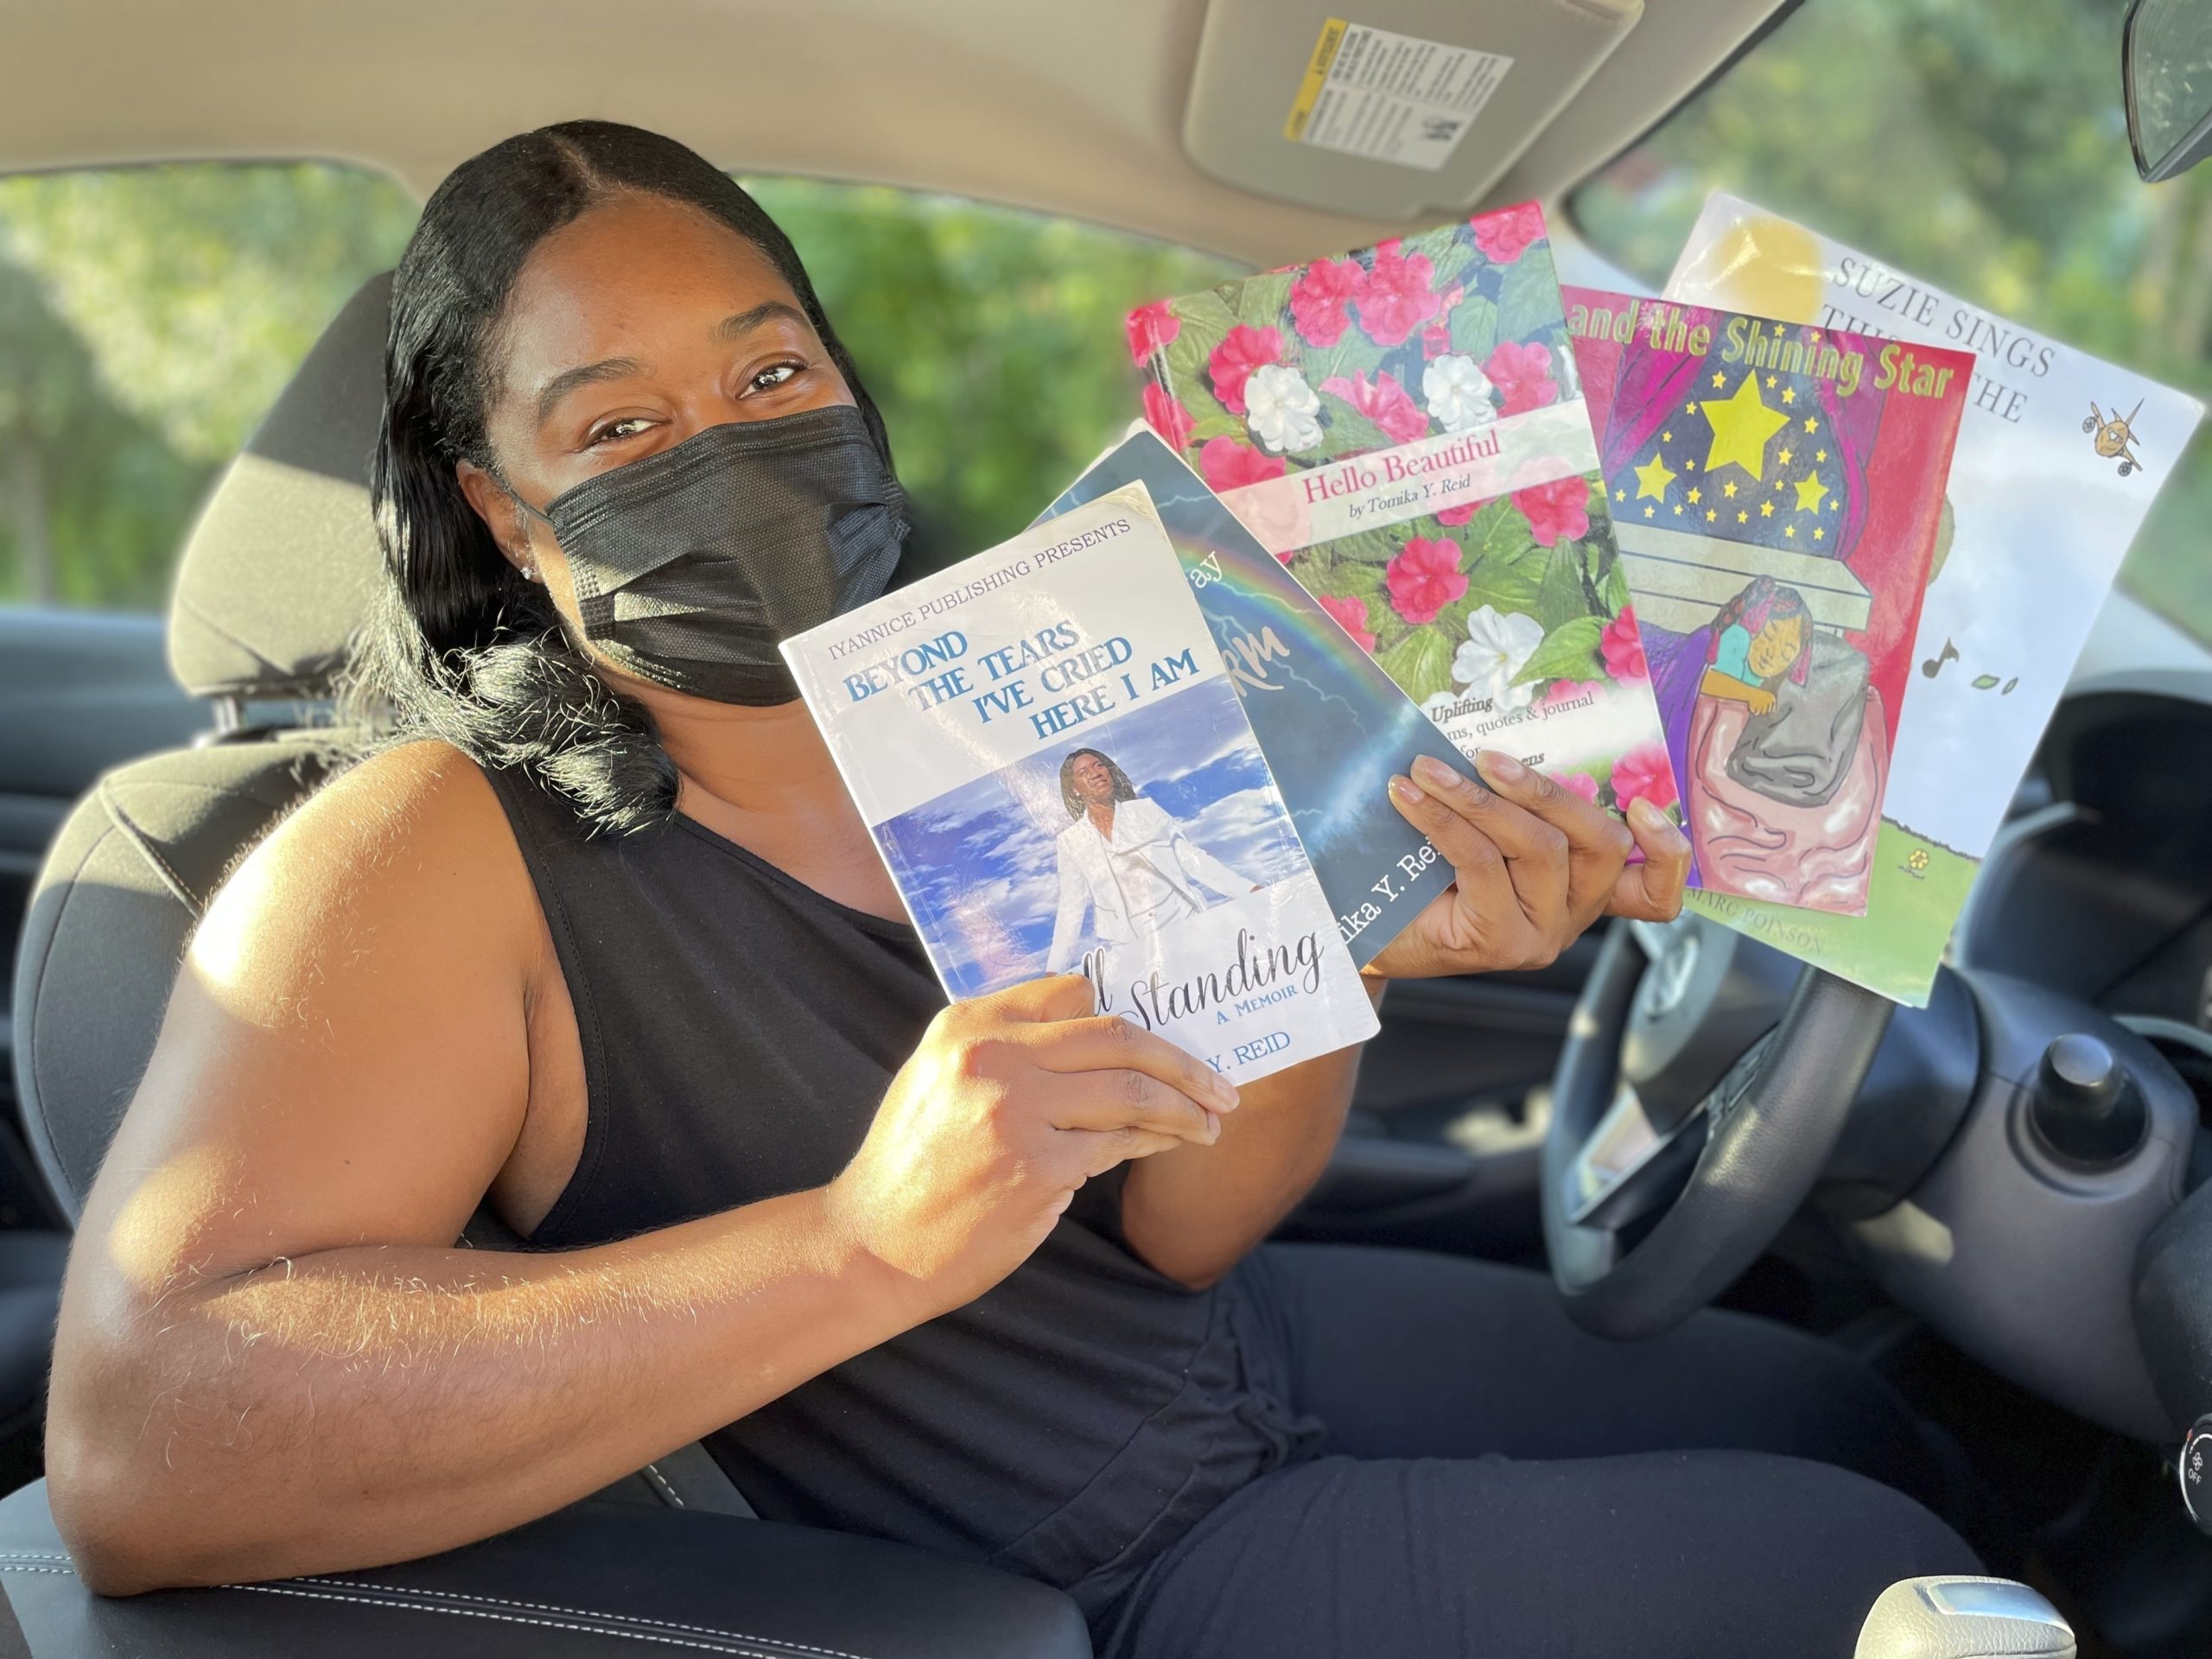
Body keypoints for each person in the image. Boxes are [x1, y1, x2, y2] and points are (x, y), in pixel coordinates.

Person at [44, 121, 1978, 1658]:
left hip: (1215, 1363)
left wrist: (1339, 946)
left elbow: (1187, 1230)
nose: (725, 456)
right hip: (1093, 1570)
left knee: (1848, 1415)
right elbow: (141, 1445)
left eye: (771, 371)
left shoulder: (1013, 683)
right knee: (1872, 1564)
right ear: (500, 507)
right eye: (616, 427)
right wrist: (860, 1243)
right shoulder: (420, 848)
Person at [1045, 747, 1259, 973]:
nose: (1096, 773)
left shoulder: (1145, 811)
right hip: (1132, 950)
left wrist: (1248, 889)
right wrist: (1054, 970)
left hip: (1186, 925)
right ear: (1074, 789)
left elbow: (1192, 859)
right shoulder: (1071, 841)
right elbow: (1071, 906)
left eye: (1099, 765)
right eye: (1084, 772)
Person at [1698, 576, 1815, 715]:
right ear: (1754, 623)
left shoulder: (1763, 679)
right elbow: (1706, 681)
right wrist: (1751, 695)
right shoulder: (1738, 636)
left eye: (1785, 653)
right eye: (1768, 636)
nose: (1771, 654)